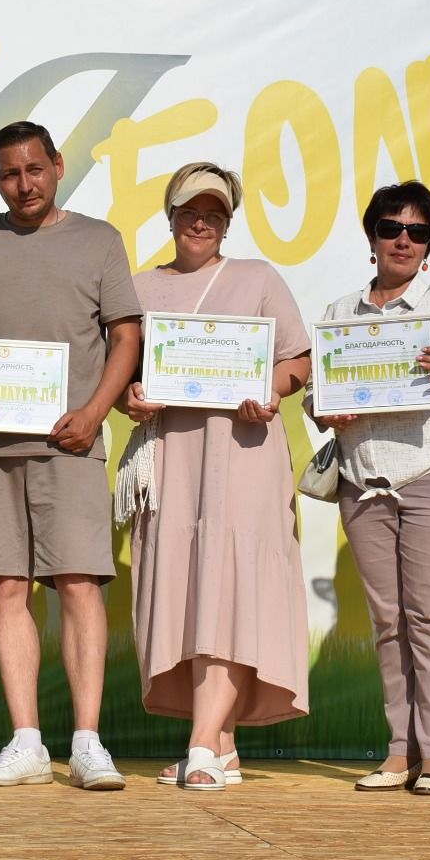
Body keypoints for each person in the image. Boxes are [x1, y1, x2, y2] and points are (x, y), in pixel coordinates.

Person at [0, 121, 141, 790]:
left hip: (71, 442)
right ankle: (25, 741)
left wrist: (94, 412)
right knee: (7, 588)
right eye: (10, 174)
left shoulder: (100, 239)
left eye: (35, 169)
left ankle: (86, 741)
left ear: (57, 165)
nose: (25, 184)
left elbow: (126, 338)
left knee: (79, 584)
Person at [116, 163, 311, 792]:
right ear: (170, 215)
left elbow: (298, 360)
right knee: (187, 587)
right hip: (171, 457)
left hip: (243, 452)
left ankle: (200, 743)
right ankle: (220, 747)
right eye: (190, 210)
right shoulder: (139, 287)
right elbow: (121, 374)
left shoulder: (257, 279)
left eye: (216, 212)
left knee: (228, 586)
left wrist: (271, 390)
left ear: (228, 220)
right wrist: (132, 398)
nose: (202, 221)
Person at [313, 181, 430, 796]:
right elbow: (319, 393)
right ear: (372, 237)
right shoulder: (341, 313)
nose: (403, 240)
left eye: (418, 232)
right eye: (392, 228)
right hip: (364, 481)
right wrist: (324, 407)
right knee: (389, 622)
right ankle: (400, 751)